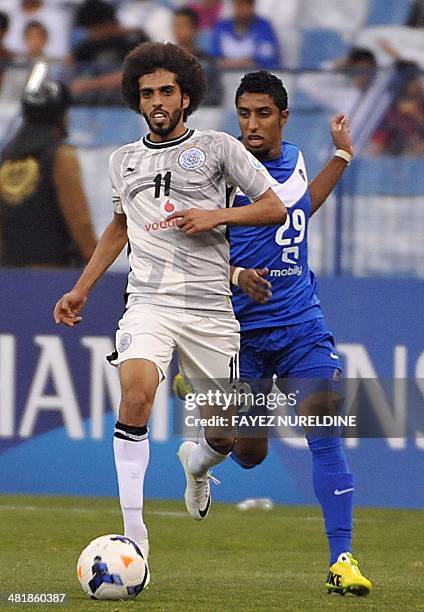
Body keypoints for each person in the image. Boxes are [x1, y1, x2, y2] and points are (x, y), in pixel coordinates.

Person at [53, 42, 287, 576]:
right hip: (148, 304)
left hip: (209, 308)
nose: (156, 100)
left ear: (186, 96)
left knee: (225, 435)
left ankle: (197, 463)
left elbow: (274, 206)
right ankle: (136, 540)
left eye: (165, 91)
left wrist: (214, 216)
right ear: (137, 101)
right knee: (135, 395)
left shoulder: (218, 147)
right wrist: (82, 288)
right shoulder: (122, 160)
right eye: (146, 93)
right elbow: (119, 228)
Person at [174, 69, 372, 595]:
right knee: (248, 452)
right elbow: (187, 257)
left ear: (284, 117)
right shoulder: (223, 175)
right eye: (244, 114)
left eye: (263, 114)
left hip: (301, 325)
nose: (253, 124)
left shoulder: (297, 161)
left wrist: (343, 157)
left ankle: (342, 558)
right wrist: (237, 275)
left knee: (323, 426)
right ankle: (197, 460)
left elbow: (302, 202)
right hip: (238, 336)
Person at [0, 75, 97, 267]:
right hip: (52, 272)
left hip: (8, 274)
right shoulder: (60, 155)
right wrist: (96, 263)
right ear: (61, 116)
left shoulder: (6, 158)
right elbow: (79, 221)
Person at [69, 0, 149, 106]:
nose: (91, 33)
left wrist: (89, 84)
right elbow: (71, 69)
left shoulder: (135, 40)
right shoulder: (87, 45)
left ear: (108, 23)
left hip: (127, 102)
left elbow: (133, 76)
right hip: (91, 102)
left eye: (94, 29)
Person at [172, 7, 222, 106]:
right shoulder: (165, 61)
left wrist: (189, 104)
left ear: (195, 28)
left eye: (184, 25)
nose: (179, 30)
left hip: (203, 114)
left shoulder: (207, 61)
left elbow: (215, 94)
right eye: (176, 25)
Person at [211, 0, 281, 70]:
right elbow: (213, 57)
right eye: (239, 5)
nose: (243, 10)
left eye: (246, 5)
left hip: (256, 77)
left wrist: (247, 62)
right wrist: (226, 63)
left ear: (253, 6)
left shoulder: (264, 27)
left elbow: (269, 57)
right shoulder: (221, 26)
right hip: (224, 77)